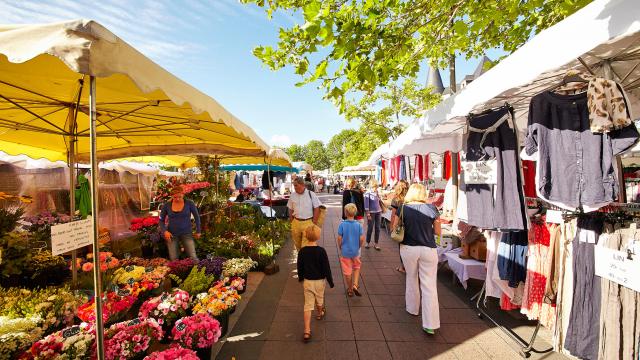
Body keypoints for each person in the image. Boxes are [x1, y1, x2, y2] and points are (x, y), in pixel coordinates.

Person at [391, 183, 441, 335]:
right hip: (428, 249)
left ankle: (412, 308)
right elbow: (438, 232)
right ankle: (430, 324)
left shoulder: (403, 208)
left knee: (411, 277)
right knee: (429, 285)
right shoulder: (432, 209)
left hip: (408, 248)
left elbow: (394, 228)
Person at [297, 224, 334, 342]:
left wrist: (300, 278)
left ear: (306, 236)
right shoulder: (321, 251)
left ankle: (307, 330)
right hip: (319, 281)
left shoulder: (302, 251)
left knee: (307, 305)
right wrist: (330, 281)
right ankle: (319, 312)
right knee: (320, 298)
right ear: (318, 236)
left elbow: (300, 266)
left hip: (308, 281)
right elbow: (326, 268)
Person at [159, 186, 201, 261]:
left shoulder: (189, 203)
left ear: (183, 194)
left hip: (186, 233)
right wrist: (165, 231)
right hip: (172, 234)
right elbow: (161, 220)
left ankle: (198, 271)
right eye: (175, 197)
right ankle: (177, 272)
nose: (177, 199)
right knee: (173, 258)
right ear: (171, 196)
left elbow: (197, 217)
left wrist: (198, 231)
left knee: (193, 256)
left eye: (179, 197)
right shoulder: (166, 205)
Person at [287, 177, 322, 251]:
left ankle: (306, 260)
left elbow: (317, 208)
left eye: (296, 185)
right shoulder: (293, 195)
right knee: (297, 245)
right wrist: (292, 220)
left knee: (306, 246)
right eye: (294, 185)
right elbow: (290, 208)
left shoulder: (311, 194)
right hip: (296, 223)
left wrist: (314, 222)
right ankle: (301, 259)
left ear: (302, 184)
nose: (294, 187)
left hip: (308, 223)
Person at [337, 203, 364, 297]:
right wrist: (359, 246)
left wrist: (340, 246)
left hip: (345, 252)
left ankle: (349, 289)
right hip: (355, 251)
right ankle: (355, 285)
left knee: (347, 271)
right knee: (356, 267)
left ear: (345, 212)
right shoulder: (359, 225)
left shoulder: (342, 225)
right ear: (355, 212)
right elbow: (361, 239)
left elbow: (339, 238)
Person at [390, 180, 409, 273]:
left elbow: (393, 214)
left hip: (400, 226)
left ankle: (403, 267)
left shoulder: (396, 199)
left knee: (401, 246)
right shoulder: (410, 198)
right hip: (410, 224)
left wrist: (391, 226)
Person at [364, 179, 383, 250]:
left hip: (378, 212)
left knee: (378, 228)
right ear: (371, 186)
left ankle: (376, 243)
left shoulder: (377, 192)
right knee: (370, 228)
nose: (376, 188)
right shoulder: (367, 193)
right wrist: (368, 214)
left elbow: (378, 201)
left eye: (376, 187)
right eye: (374, 187)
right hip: (371, 213)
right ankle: (367, 242)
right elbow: (366, 205)